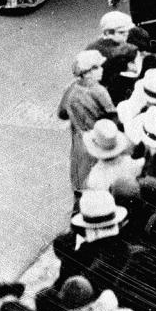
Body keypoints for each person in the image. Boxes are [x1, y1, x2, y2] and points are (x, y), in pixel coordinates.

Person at [58, 50, 114, 202]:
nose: (102, 70)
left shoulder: (70, 89)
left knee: (79, 178)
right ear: (88, 72)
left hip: (79, 140)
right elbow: (112, 116)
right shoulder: (99, 91)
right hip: (98, 140)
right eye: (98, 67)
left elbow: (62, 113)